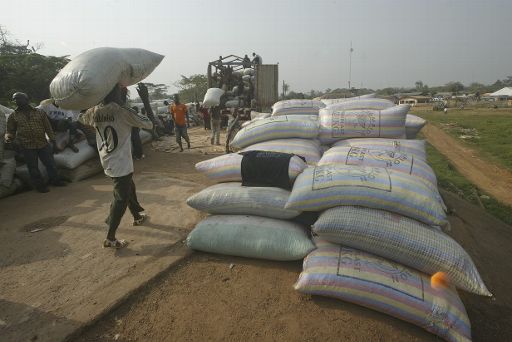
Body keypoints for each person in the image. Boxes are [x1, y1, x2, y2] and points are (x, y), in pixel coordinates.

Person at [79, 84, 153, 249]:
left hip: (107, 159)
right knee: (121, 198)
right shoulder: (123, 111)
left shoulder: (94, 111)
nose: (125, 95)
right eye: (123, 92)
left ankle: (137, 215)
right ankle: (110, 237)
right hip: (120, 162)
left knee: (129, 186)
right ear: (119, 94)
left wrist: (88, 98)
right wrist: (146, 101)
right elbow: (150, 123)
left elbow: (81, 117)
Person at [5, 92, 66, 192]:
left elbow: (48, 127)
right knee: (33, 168)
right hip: (27, 146)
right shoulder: (13, 116)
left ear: (26, 99)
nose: (16, 101)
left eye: (19, 98)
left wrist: (53, 141)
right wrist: (9, 138)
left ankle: (55, 180)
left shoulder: (39, 112)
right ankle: (40, 186)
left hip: (43, 143)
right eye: (15, 99)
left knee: (50, 164)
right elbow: (10, 131)